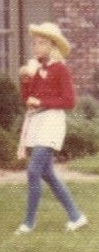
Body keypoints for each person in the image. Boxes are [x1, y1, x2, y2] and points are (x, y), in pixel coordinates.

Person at [16, 22, 88, 235]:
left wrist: (43, 102)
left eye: (42, 43)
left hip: (52, 122)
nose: (36, 47)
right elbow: (27, 99)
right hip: (36, 122)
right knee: (47, 173)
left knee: (33, 171)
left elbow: (69, 101)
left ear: (52, 46)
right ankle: (76, 216)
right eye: (35, 43)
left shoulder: (61, 69)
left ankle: (28, 223)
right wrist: (25, 80)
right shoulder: (35, 68)